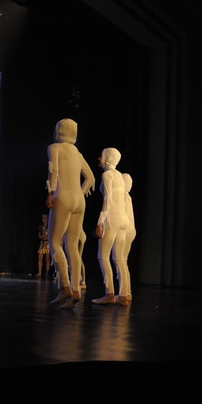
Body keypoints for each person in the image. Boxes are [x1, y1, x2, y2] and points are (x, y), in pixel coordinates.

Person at [45, 118, 95, 309]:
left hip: (63, 197)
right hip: (79, 200)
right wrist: (79, 193)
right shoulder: (77, 152)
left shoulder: (54, 148)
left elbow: (53, 170)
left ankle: (65, 286)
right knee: (72, 246)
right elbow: (90, 178)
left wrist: (51, 192)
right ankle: (76, 290)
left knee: (54, 242)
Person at [92, 148, 130, 305]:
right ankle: (124, 295)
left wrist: (100, 221)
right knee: (120, 258)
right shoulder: (120, 176)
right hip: (123, 219)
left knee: (103, 255)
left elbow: (108, 199)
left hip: (112, 218)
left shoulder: (107, 175)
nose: (99, 158)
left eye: (102, 156)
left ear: (108, 158)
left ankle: (109, 293)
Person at [111, 173, 135, 305]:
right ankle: (127, 292)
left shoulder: (122, 197)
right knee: (123, 261)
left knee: (118, 259)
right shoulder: (128, 196)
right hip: (131, 230)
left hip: (124, 231)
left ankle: (123, 294)